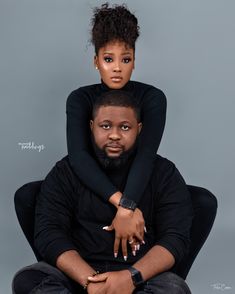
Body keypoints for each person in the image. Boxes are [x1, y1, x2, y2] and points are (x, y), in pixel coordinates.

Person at [14, 2, 217, 279]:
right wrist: (122, 204)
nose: (117, 69)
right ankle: (68, 271)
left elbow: (146, 155)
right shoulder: (80, 99)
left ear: (135, 60)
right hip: (90, 184)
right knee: (30, 197)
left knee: (200, 203)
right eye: (109, 59)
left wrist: (130, 207)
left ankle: (162, 276)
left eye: (126, 59)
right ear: (96, 61)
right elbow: (79, 157)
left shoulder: (152, 98)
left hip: (136, 180)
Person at [12, 90, 192, 294]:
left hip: (140, 278)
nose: (114, 135)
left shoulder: (163, 173)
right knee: (29, 279)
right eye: (105, 126)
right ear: (91, 126)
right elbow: (48, 233)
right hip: (78, 277)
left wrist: (131, 277)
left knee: (173, 289)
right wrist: (92, 282)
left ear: (139, 129)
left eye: (125, 127)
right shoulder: (66, 171)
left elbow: (175, 238)